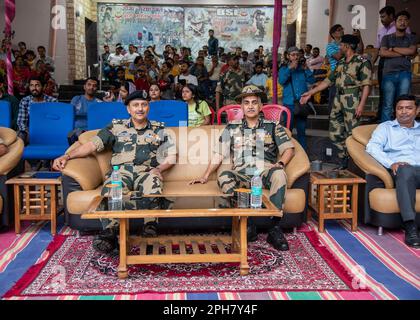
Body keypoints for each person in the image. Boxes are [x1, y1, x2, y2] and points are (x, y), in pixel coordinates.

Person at [52, 90, 177, 254]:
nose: (140, 108)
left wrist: (159, 169)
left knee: (153, 182)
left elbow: (172, 155)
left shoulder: (159, 128)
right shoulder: (116, 127)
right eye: (135, 105)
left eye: (144, 104)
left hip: (147, 171)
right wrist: (67, 156)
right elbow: (92, 145)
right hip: (121, 171)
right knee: (113, 187)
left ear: (148, 107)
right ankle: (110, 232)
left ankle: (149, 227)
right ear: (128, 109)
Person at [189, 85, 295, 251]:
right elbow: (218, 154)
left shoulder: (273, 126)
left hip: (265, 171)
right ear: (242, 107)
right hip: (241, 173)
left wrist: (280, 164)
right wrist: (205, 175)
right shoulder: (232, 127)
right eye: (247, 103)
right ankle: (248, 223)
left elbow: (289, 149)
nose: (251, 106)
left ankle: (274, 228)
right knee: (224, 176)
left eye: (254, 102)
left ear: (260, 106)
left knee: (279, 174)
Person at [301, 35, 372, 169]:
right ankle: (343, 161)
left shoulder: (362, 61)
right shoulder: (341, 62)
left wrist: (362, 105)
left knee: (353, 133)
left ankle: (355, 164)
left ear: (347, 46)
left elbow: (366, 85)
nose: (339, 47)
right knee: (335, 132)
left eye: (341, 45)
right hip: (338, 99)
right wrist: (310, 93)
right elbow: (328, 81)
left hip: (353, 99)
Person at [366, 95, 420, 248]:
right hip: (401, 170)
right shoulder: (386, 127)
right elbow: (372, 147)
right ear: (395, 110)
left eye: (408, 108)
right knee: (405, 170)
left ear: (417, 110)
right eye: (400, 108)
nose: (404, 112)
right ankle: (410, 227)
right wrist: (391, 163)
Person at [379, 11, 417, 123]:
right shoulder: (386, 38)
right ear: (395, 22)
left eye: (405, 20)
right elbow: (383, 53)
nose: (403, 22)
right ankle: (385, 130)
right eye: (400, 20)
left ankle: (401, 127)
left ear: (408, 22)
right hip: (388, 73)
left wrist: (393, 48)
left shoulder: (411, 38)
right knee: (387, 104)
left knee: (403, 103)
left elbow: (412, 51)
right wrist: (404, 53)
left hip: (404, 73)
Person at [279, 47, 315, 150]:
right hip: (289, 104)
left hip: (302, 103)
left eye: (297, 55)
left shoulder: (303, 68)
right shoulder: (284, 68)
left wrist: (307, 69)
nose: (295, 57)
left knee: (302, 131)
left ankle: (303, 155)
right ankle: (286, 152)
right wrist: (290, 69)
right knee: (287, 130)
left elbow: (312, 81)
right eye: (293, 55)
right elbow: (281, 81)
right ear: (288, 56)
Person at [17, 76, 58, 144]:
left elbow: (55, 122)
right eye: (31, 85)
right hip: (29, 134)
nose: (34, 88)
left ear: (44, 86)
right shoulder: (25, 101)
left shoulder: (52, 101)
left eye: (37, 85)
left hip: (49, 133)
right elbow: (21, 122)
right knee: (20, 135)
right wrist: (28, 133)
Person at [69, 77, 102, 144]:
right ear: (84, 87)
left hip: (92, 131)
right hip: (76, 130)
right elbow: (69, 115)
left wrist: (108, 103)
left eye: (94, 86)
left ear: (97, 89)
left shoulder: (100, 103)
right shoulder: (76, 99)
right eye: (89, 85)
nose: (91, 87)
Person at [326, 24, 344, 113]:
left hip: (346, 75)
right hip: (336, 75)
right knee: (334, 99)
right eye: (339, 30)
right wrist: (342, 46)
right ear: (333, 34)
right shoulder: (330, 46)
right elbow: (338, 57)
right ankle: (331, 119)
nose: (342, 31)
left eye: (342, 29)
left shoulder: (346, 44)